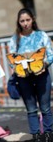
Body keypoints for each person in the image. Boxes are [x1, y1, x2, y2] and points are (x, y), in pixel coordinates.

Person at [8, 8, 53, 142]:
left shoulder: (42, 35)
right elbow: (12, 60)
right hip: (23, 79)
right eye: (22, 21)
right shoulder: (14, 39)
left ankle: (49, 136)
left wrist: (42, 65)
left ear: (32, 19)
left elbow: (50, 55)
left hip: (42, 76)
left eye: (28, 20)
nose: (25, 23)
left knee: (45, 108)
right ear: (18, 22)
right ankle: (36, 137)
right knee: (31, 110)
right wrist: (18, 68)